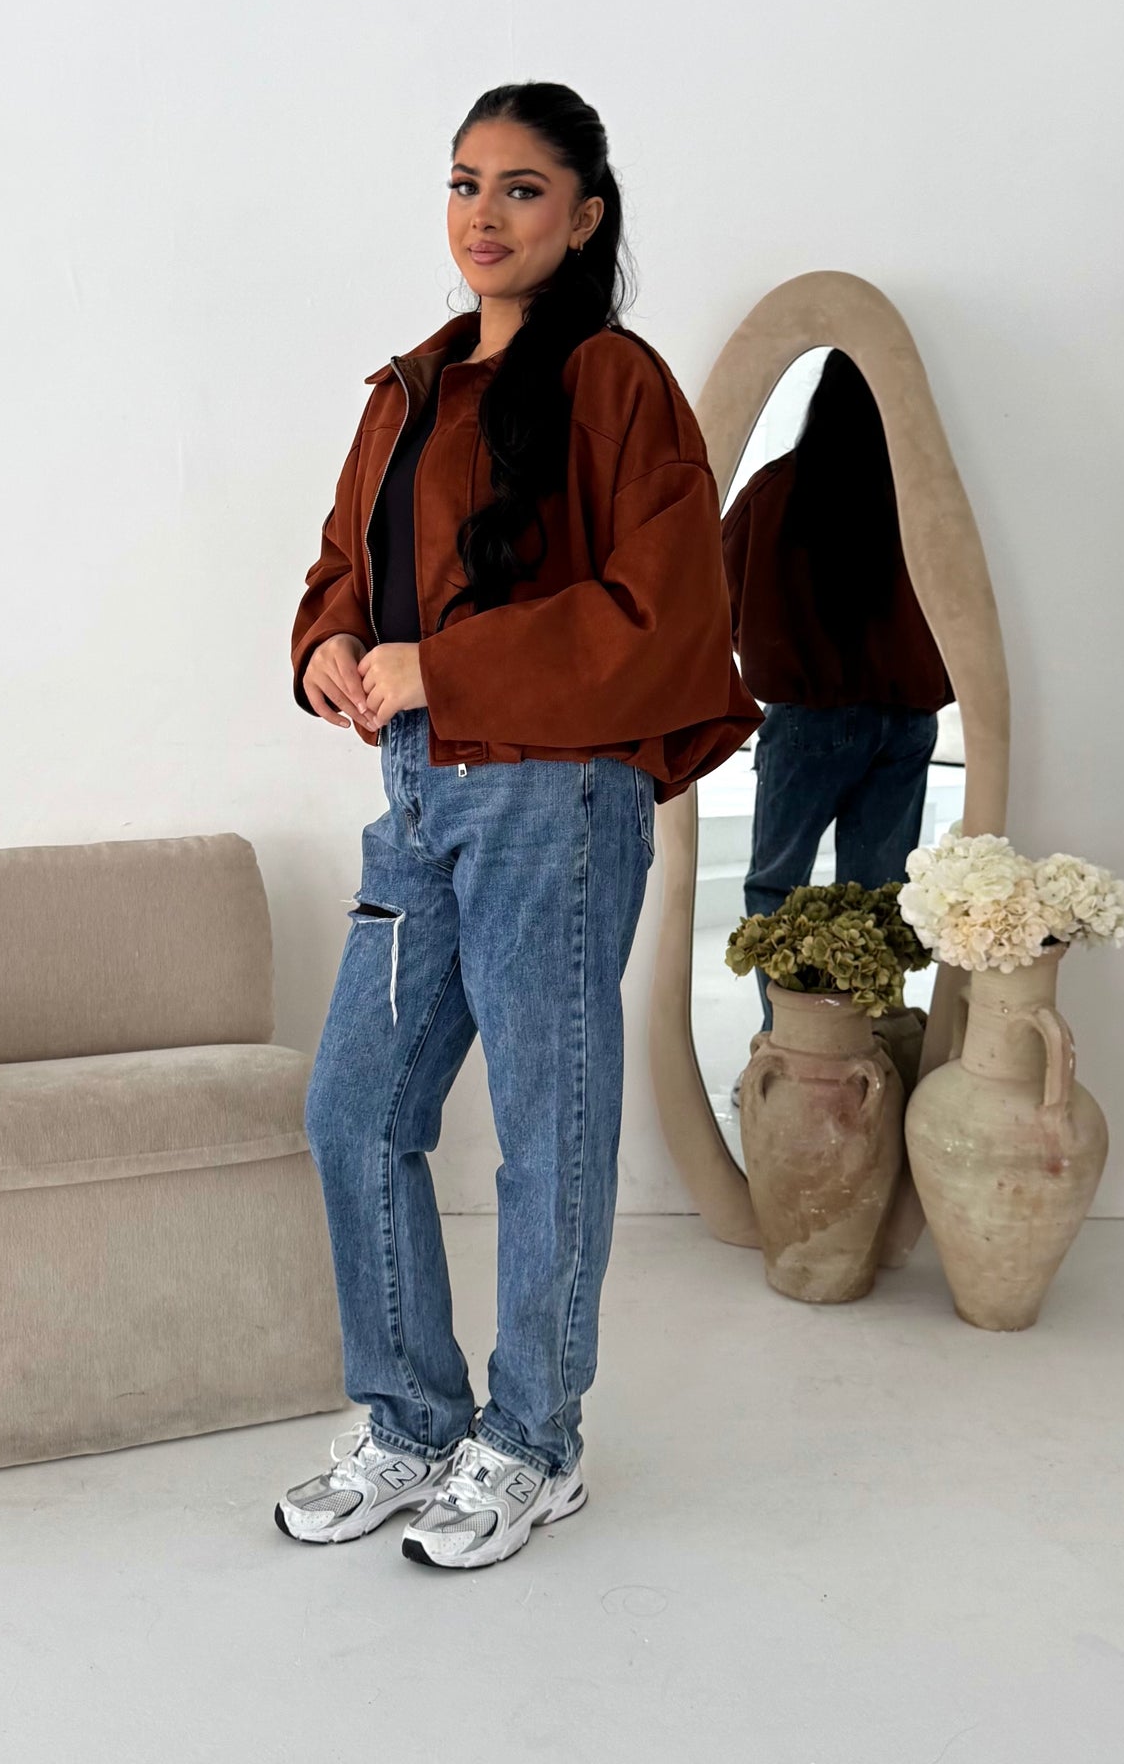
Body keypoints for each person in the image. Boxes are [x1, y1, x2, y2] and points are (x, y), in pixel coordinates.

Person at [278, 82, 759, 1571]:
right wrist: (328, 645)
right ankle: (413, 1421)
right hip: (417, 791)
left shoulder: (615, 382)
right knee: (355, 1109)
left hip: (556, 798)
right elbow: (340, 565)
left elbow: (664, 614)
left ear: (585, 216)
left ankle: (535, 1445)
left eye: (522, 188)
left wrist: (448, 666)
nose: (483, 214)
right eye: (463, 183)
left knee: (547, 1130)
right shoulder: (407, 390)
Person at [722, 349, 954, 1029]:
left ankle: (792, 1041)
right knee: (880, 895)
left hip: (810, 716)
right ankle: (869, 1041)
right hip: (906, 718)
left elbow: (715, 597)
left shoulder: (775, 491)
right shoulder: (924, 499)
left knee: (777, 886)